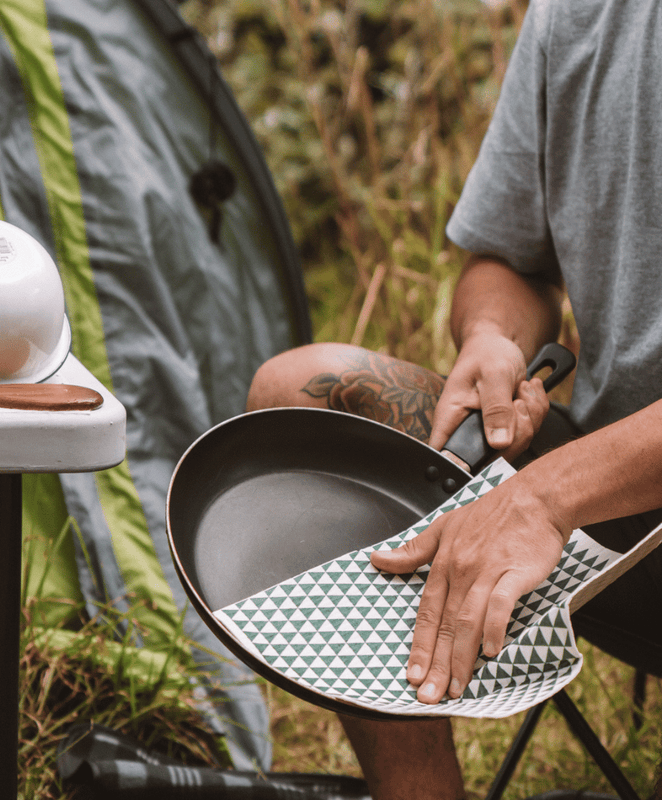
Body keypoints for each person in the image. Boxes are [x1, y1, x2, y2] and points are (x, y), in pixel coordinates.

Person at [246, 0, 662, 797]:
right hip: (612, 518)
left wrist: (542, 500)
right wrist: (494, 339)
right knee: (299, 401)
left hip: (580, 497)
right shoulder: (576, 19)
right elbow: (506, 259)